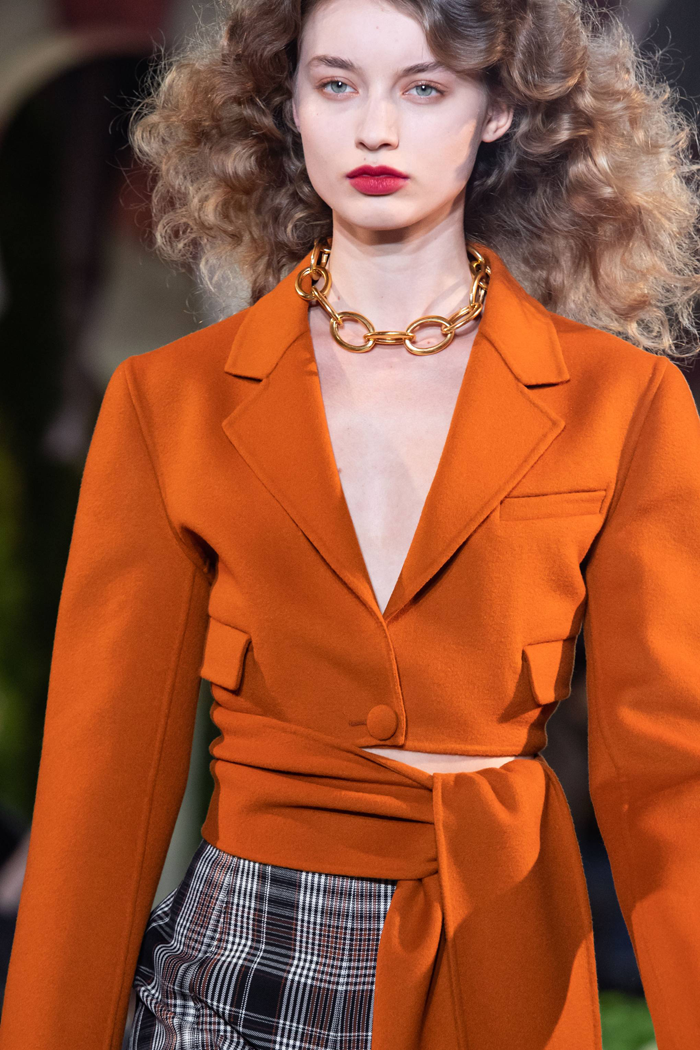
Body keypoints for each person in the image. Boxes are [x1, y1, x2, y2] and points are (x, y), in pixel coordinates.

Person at [2, 0, 700, 1047]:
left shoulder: (621, 404)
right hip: (239, 962)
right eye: (337, 84)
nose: (376, 128)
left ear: (497, 111)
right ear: (287, 105)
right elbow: (102, 781)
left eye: (424, 87)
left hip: (495, 965)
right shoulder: (172, 402)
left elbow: (667, 775)